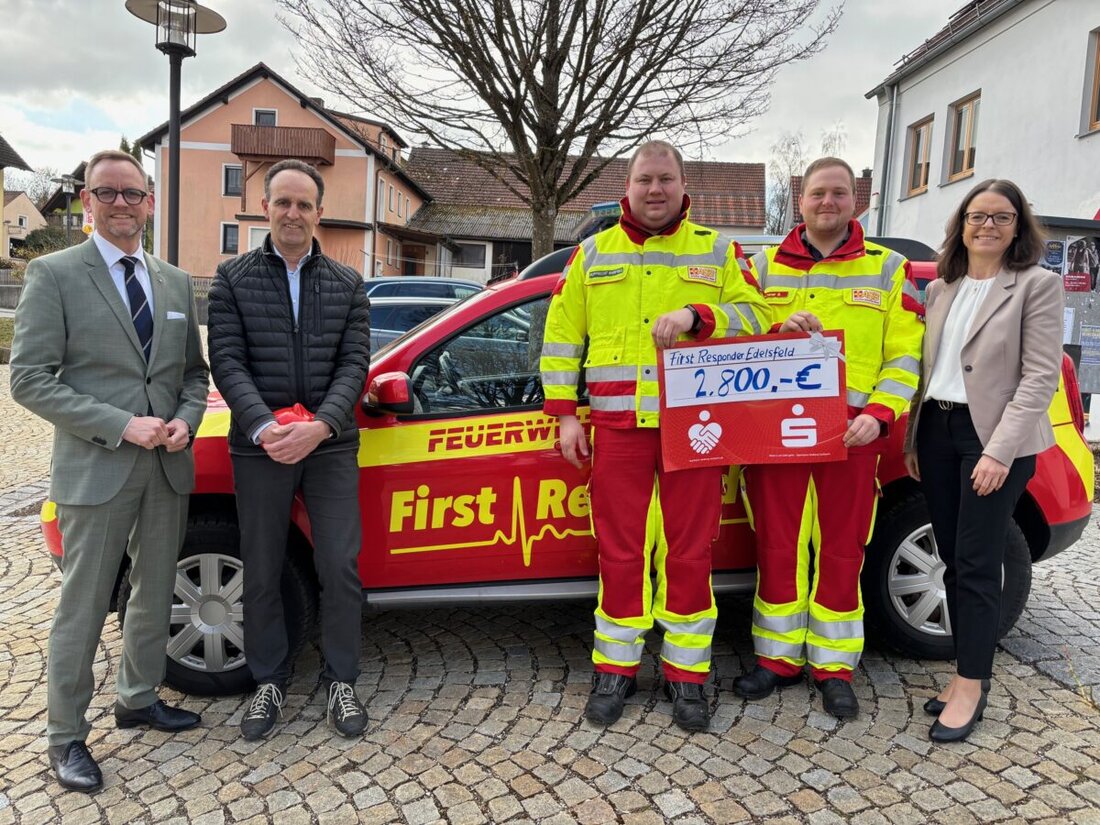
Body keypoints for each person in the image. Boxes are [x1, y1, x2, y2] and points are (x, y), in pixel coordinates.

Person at [540, 140, 771, 732]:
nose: (655, 190)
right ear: (628, 185)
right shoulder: (593, 254)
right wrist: (565, 413)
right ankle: (614, 669)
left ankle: (687, 675)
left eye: (665, 179)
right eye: (645, 179)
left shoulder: (718, 251)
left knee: (691, 552)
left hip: (694, 429)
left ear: (682, 183)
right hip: (617, 430)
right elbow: (563, 336)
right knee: (618, 552)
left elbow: (757, 316)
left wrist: (701, 315)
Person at [10, 149, 209, 792]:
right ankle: (65, 737)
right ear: (87, 200)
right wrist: (121, 423)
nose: (121, 203)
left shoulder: (176, 282)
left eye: (133, 193)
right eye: (107, 192)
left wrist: (186, 419)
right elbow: (31, 380)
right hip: (97, 466)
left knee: (154, 593)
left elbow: (192, 376)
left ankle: (138, 696)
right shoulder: (55, 273)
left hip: (166, 466)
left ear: (150, 201)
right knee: (84, 605)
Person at [734, 157, 925, 719]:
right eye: (818, 193)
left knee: (843, 550)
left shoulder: (889, 269)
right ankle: (776, 661)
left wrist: (883, 413)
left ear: (855, 200)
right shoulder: (760, 266)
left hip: (853, 432)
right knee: (777, 544)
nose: (828, 203)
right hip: (776, 434)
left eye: (839, 193)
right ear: (800, 200)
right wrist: (774, 327)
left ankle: (835, 667)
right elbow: (730, 329)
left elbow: (904, 353)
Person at [207, 159, 371, 740]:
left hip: (328, 446)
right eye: (283, 202)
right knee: (263, 566)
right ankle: (268, 681)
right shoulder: (232, 278)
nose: (293, 213)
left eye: (304, 204)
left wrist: (322, 426)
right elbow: (226, 361)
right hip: (260, 446)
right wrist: (262, 426)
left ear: (319, 212)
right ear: (266, 208)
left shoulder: (349, 284)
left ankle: (342, 679)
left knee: (339, 566)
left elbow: (356, 365)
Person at [904, 179, 1062, 742]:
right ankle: (966, 672)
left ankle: (971, 683)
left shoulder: (1036, 286)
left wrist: (997, 450)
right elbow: (930, 373)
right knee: (950, 555)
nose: (987, 226)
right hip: (940, 431)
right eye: (977, 216)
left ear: (1018, 226)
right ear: (961, 224)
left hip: (993, 438)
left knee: (976, 561)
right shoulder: (942, 288)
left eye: (1000, 217)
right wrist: (915, 443)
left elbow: (1041, 376)